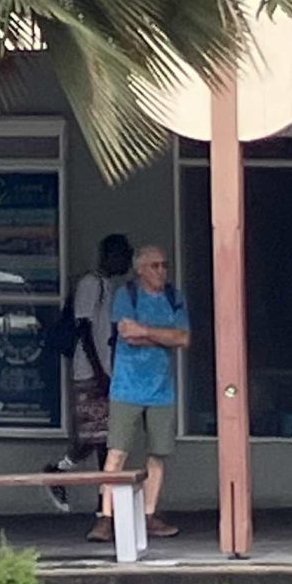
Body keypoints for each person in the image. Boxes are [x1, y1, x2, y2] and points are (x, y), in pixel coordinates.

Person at [90, 242, 191, 545]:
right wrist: (163, 336)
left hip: (162, 390)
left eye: (164, 265)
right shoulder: (127, 295)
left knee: (158, 454)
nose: (161, 271)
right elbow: (127, 335)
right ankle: (105, 517)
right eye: (154, 266)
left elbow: (183, 339)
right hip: (127, 387)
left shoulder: (174, 297)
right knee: (116, 452)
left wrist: (145, 331)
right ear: (139, 269)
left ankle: (149, 514)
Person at [46, 234, 133, 509]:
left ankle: (102, 502)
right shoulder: (90, 283)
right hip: (90, 373)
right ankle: (63, 475)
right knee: (97, 438)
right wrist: (98, 372)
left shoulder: (108, 285)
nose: (128, 262)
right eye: (125, 255)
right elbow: (83, 329)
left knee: (103, 439)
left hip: (106, 372)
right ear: (111, 255)